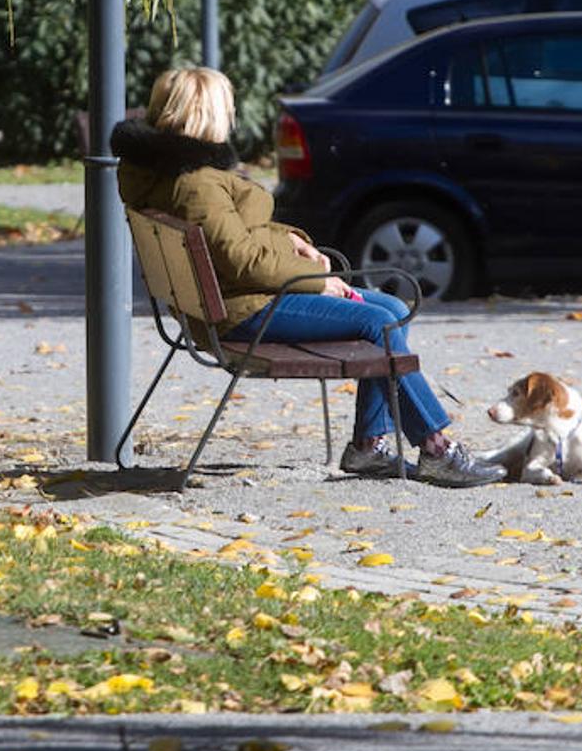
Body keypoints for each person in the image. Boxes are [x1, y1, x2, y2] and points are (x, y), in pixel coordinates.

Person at [110, 67, 503, 488]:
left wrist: (294, 239)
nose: (232, 115)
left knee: (389, 307)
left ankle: (371, 446)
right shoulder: (197, 185)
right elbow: (241, 261)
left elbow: (236, 238)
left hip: (229, 303)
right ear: (207, 113)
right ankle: (436, 448)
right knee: (382, 321)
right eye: (227, 107)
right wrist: (315, 281)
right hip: (243, 312)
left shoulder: (165, 174)